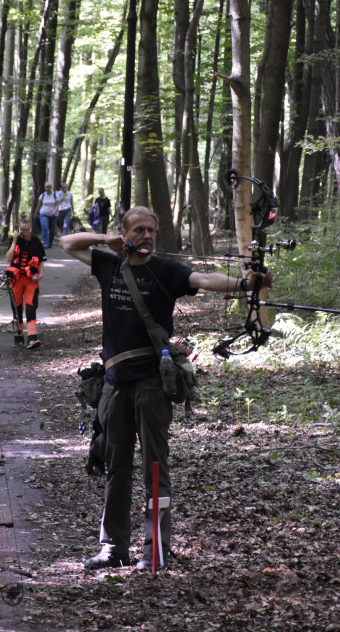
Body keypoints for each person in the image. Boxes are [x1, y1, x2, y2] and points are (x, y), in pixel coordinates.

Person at [61, 207, 272, 571]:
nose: (146, 236)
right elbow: (67, 243)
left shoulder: (166, 272)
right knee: (116, 467)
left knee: (154, 469)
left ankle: (154, 549)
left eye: (151, 230)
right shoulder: (110, 265)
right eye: (139, 230)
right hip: (114, 385)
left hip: (151, 385)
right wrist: (105, 241)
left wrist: (244, 284)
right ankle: (113, 548)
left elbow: (205, 280)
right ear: (124, 233)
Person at [4, 218, 46, 349]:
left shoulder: (36, 242)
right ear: (19, 229)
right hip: (16, 281)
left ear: (31, 228)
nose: (25, 233)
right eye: (22, 230)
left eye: (27, 230)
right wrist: (15, 240)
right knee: (16, 309)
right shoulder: (14, 241)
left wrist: (41, 274)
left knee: (30, 308)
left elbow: (41, 262)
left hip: (31, 281)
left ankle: (32, 338)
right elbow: (8, 258)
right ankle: (18, 336)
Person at [32, 182, 59, 248]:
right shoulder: (42, 195)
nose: (48, 189)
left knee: (52, 230)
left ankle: (50, 242)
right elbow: (39, 205)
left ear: (51, 187)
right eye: (46, 187)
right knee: (44, 227)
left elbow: (58, 205)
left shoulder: (55, 195)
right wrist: (35, 214)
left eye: (49, 187)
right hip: (43, 213)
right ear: (45, 187)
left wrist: (54, 212)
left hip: (53, 215)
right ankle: (46, 243)